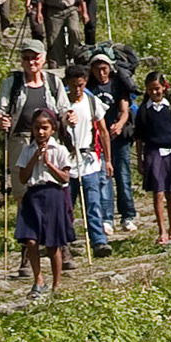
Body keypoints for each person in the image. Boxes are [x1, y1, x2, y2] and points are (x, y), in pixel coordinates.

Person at [0, 39, 59, 278]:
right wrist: (0, 119)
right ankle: (28, 249)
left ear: (43, 58)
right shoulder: (12, 83)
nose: (31, 62)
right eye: (26, 58)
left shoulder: (53, 82)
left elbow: (63, 110)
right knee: (23, 195)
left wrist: (71, 117)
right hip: (21, 141)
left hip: (49, 142)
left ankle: (57, 246)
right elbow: (0, 109)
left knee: (53, 191)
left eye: (35, 57)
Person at [13, 108, 75, 299]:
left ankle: (57, 283)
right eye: (37, 128)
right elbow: (23, 178)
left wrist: (48, 164)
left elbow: (65, 178)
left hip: (53, 195)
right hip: (33, 195)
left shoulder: (60, 150)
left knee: (52, 244)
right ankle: (38, 279)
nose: (40, 132)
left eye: (45, 128)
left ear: (53, 129)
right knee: (31, 240)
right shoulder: (28, 150)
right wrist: (34, 159)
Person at [60, 62, 113, 257]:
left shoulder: (92, 102)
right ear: (67, 83)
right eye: (73, 85)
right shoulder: (61, 104)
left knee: (93, 202)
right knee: (67, 205)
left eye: (81, 85)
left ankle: (98, 241)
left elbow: (103, 131)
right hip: (67, 160)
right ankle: (66, 241)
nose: (77, 90)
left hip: (89, 160)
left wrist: (107, 160)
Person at [133, 70, 171, 245]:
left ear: (164, 87)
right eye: (150, 90)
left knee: (170, 192)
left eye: (157, 88)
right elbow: (139, 137)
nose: (154, 93)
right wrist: (140, 159)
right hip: (153, 152)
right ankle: (162, 231)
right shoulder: (144, 111)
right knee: (158, 193)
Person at [87, 50, 139, 233]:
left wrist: (119, 124)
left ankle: (127, 215)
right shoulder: (90, 89)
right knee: (104, 179)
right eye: (97, 69)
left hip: (119, 137)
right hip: (99, 140)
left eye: (104, 69)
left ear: (110, 68)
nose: (101, 73)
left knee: (123, 177)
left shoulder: (117, 86)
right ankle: (107, 218)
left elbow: (125, 109)